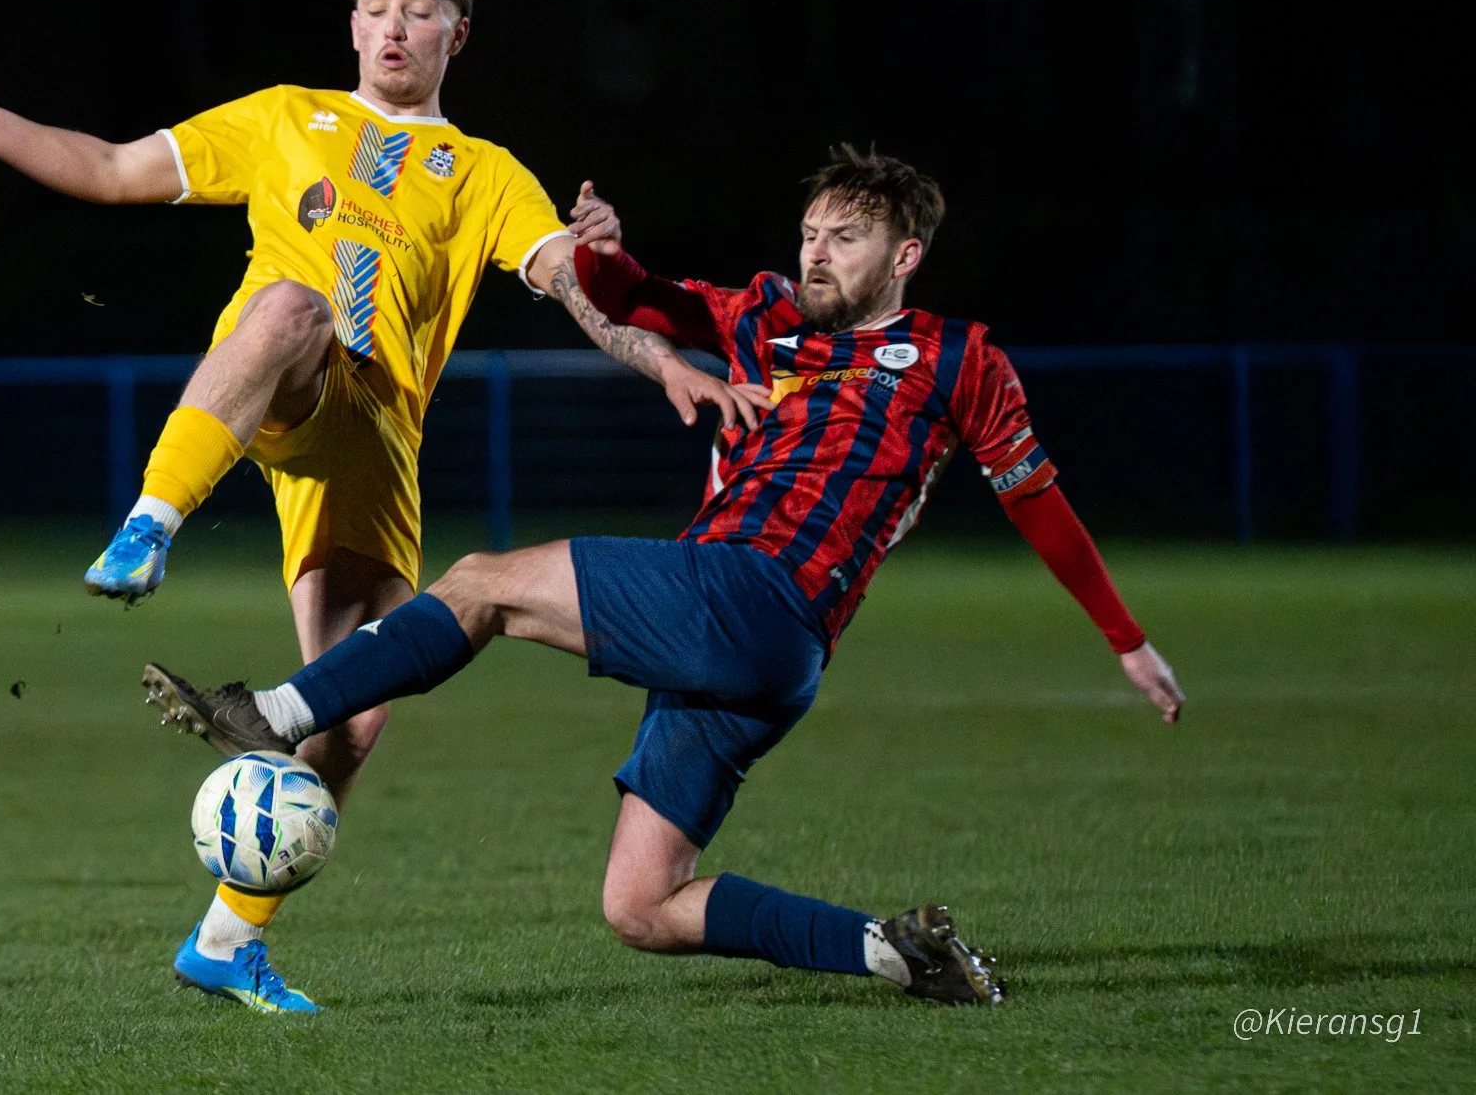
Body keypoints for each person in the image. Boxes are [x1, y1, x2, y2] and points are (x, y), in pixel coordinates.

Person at [0, 0, 759, 1013]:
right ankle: (151, 520)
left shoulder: (484, 174)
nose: (392, 25)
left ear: (457, 34)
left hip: (378, 444)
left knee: (351, 715)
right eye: (376, 6)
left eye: (419, 10)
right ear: (350, 24)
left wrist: (647, 333)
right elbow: (112, 171)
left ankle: (222, 942)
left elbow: (573, 284)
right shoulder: (284, 117)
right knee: (290, 305)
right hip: (291, 381)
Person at [141, 145, 1187, 1007]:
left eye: (846, 238)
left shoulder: (959, 359)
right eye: (811, 233)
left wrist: (1124, 640)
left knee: (480, 584)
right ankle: (895, 953)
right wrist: (600, 253)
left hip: (757, 593)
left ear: (904, 253)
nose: (817, 254)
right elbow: (640, 299)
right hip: (760, 652)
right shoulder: (767, 314)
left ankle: (275, 710)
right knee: (640, 907)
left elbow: (1035, 499)